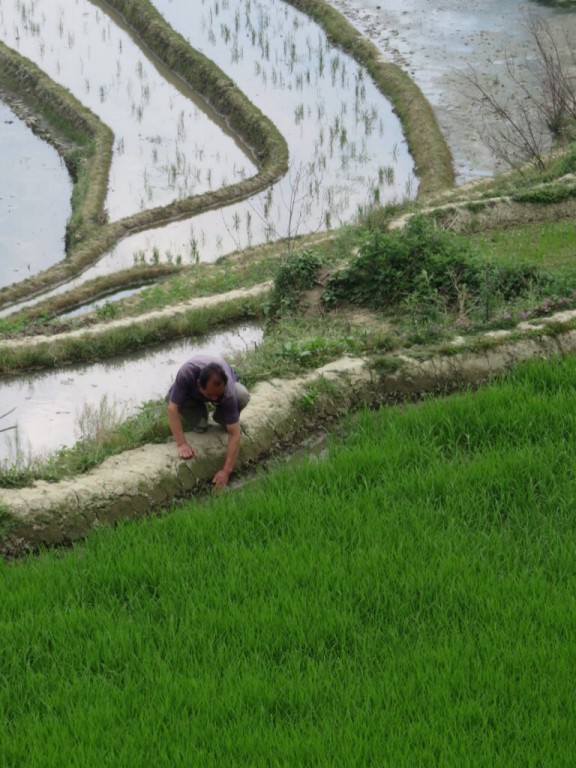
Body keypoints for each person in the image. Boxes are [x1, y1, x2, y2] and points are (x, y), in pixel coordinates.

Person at [166, 354, 250, 489]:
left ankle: (221, 416)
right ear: (199, 384)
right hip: (193, 396)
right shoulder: (187, 373)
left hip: (225, 393)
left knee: (241, 395)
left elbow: (234, 434)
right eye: (210, 395)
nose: (214, 398)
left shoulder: (227, 391)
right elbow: (172, 408)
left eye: (218, 395)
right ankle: (201, 415)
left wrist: (226, 472)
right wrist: (181, 444)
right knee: (198, 425)